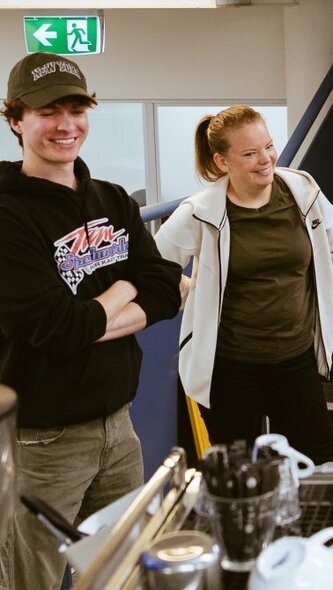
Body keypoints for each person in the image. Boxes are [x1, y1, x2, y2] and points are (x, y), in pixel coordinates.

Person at [0, 52, 182, 589]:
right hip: (43, 440)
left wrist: (99, 308)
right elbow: (54, 329)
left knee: (122, 569)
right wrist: (127, 285)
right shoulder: (8, 216)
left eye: (76, 108)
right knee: (33, 576)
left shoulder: (112, 199)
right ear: (15, 120)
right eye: (46, 111)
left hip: (118, 426)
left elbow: (166, 289)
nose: (65, 125)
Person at [154, 105, 333, 465]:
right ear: (222, 161)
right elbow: (156, 266)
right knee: (238, 480)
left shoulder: (302, 192)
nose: (266, 159)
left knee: (322, 467)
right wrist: (195, 296)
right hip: (229, 369)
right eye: (250, 153)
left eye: (268, 146)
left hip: (295, 362)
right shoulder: (201, 211)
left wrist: (307, 286)